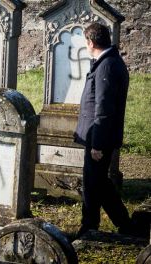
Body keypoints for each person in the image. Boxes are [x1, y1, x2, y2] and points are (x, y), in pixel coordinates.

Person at [73, 23, 135, 238]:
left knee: (92, 184)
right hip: (97, 133)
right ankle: (124, 224)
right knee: (100, 182)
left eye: (86, 42)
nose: (86, 46)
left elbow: (104, 107)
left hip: (99, 136)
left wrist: (97, 144)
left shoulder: (107, 66)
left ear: (91, 42)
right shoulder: (106, 62)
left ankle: (88, 227)